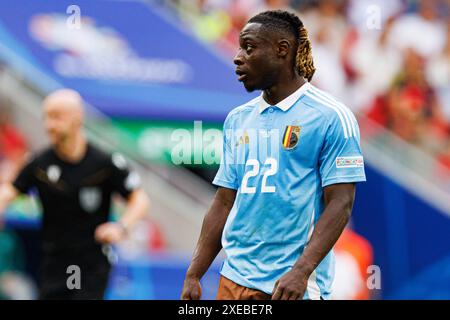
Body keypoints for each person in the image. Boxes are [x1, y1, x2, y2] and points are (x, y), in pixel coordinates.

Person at [181, 10, 366, 300]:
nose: (238, 56)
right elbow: (224, 200)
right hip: (233, 279)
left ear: (282, 50)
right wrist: (194, 273)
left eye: (249, 47)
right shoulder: (237, 119)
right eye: (240, 47)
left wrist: (302, 271)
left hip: (288, 284)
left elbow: (341, 202)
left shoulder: (331, 117)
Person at [0, 89, 150, 299]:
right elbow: (10, 191)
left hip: (91, 262)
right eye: (46, 117)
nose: (49, 125)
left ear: (77, 117)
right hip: (53, 261)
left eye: (56, 117)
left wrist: (121, 227)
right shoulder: (39, 164)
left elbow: (139, 199)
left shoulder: (104, 163)